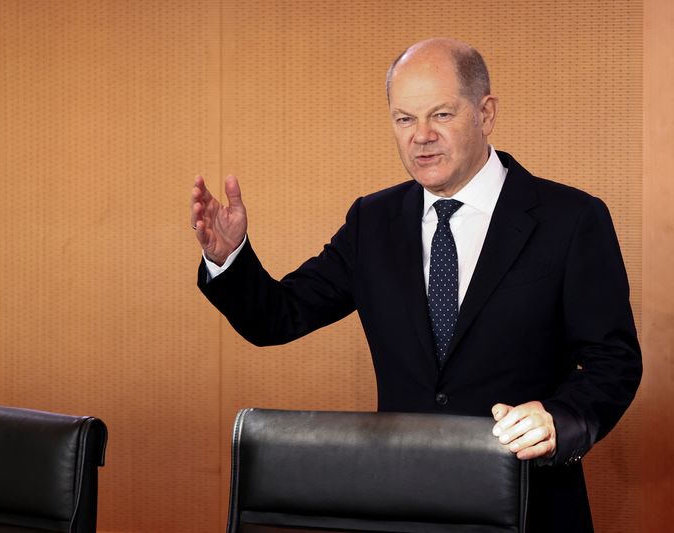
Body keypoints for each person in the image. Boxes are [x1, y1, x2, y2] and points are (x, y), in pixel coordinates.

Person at [190, 38, 642, 532]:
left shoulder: (570, 219)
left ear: (485, 113)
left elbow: (613, 362)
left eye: (441, 115)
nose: (421, 136)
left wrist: (560, 419)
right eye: (405, 119)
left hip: (534, 504)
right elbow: (278, 316)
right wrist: (227, 258)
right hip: (404, 505)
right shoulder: (373, 220)